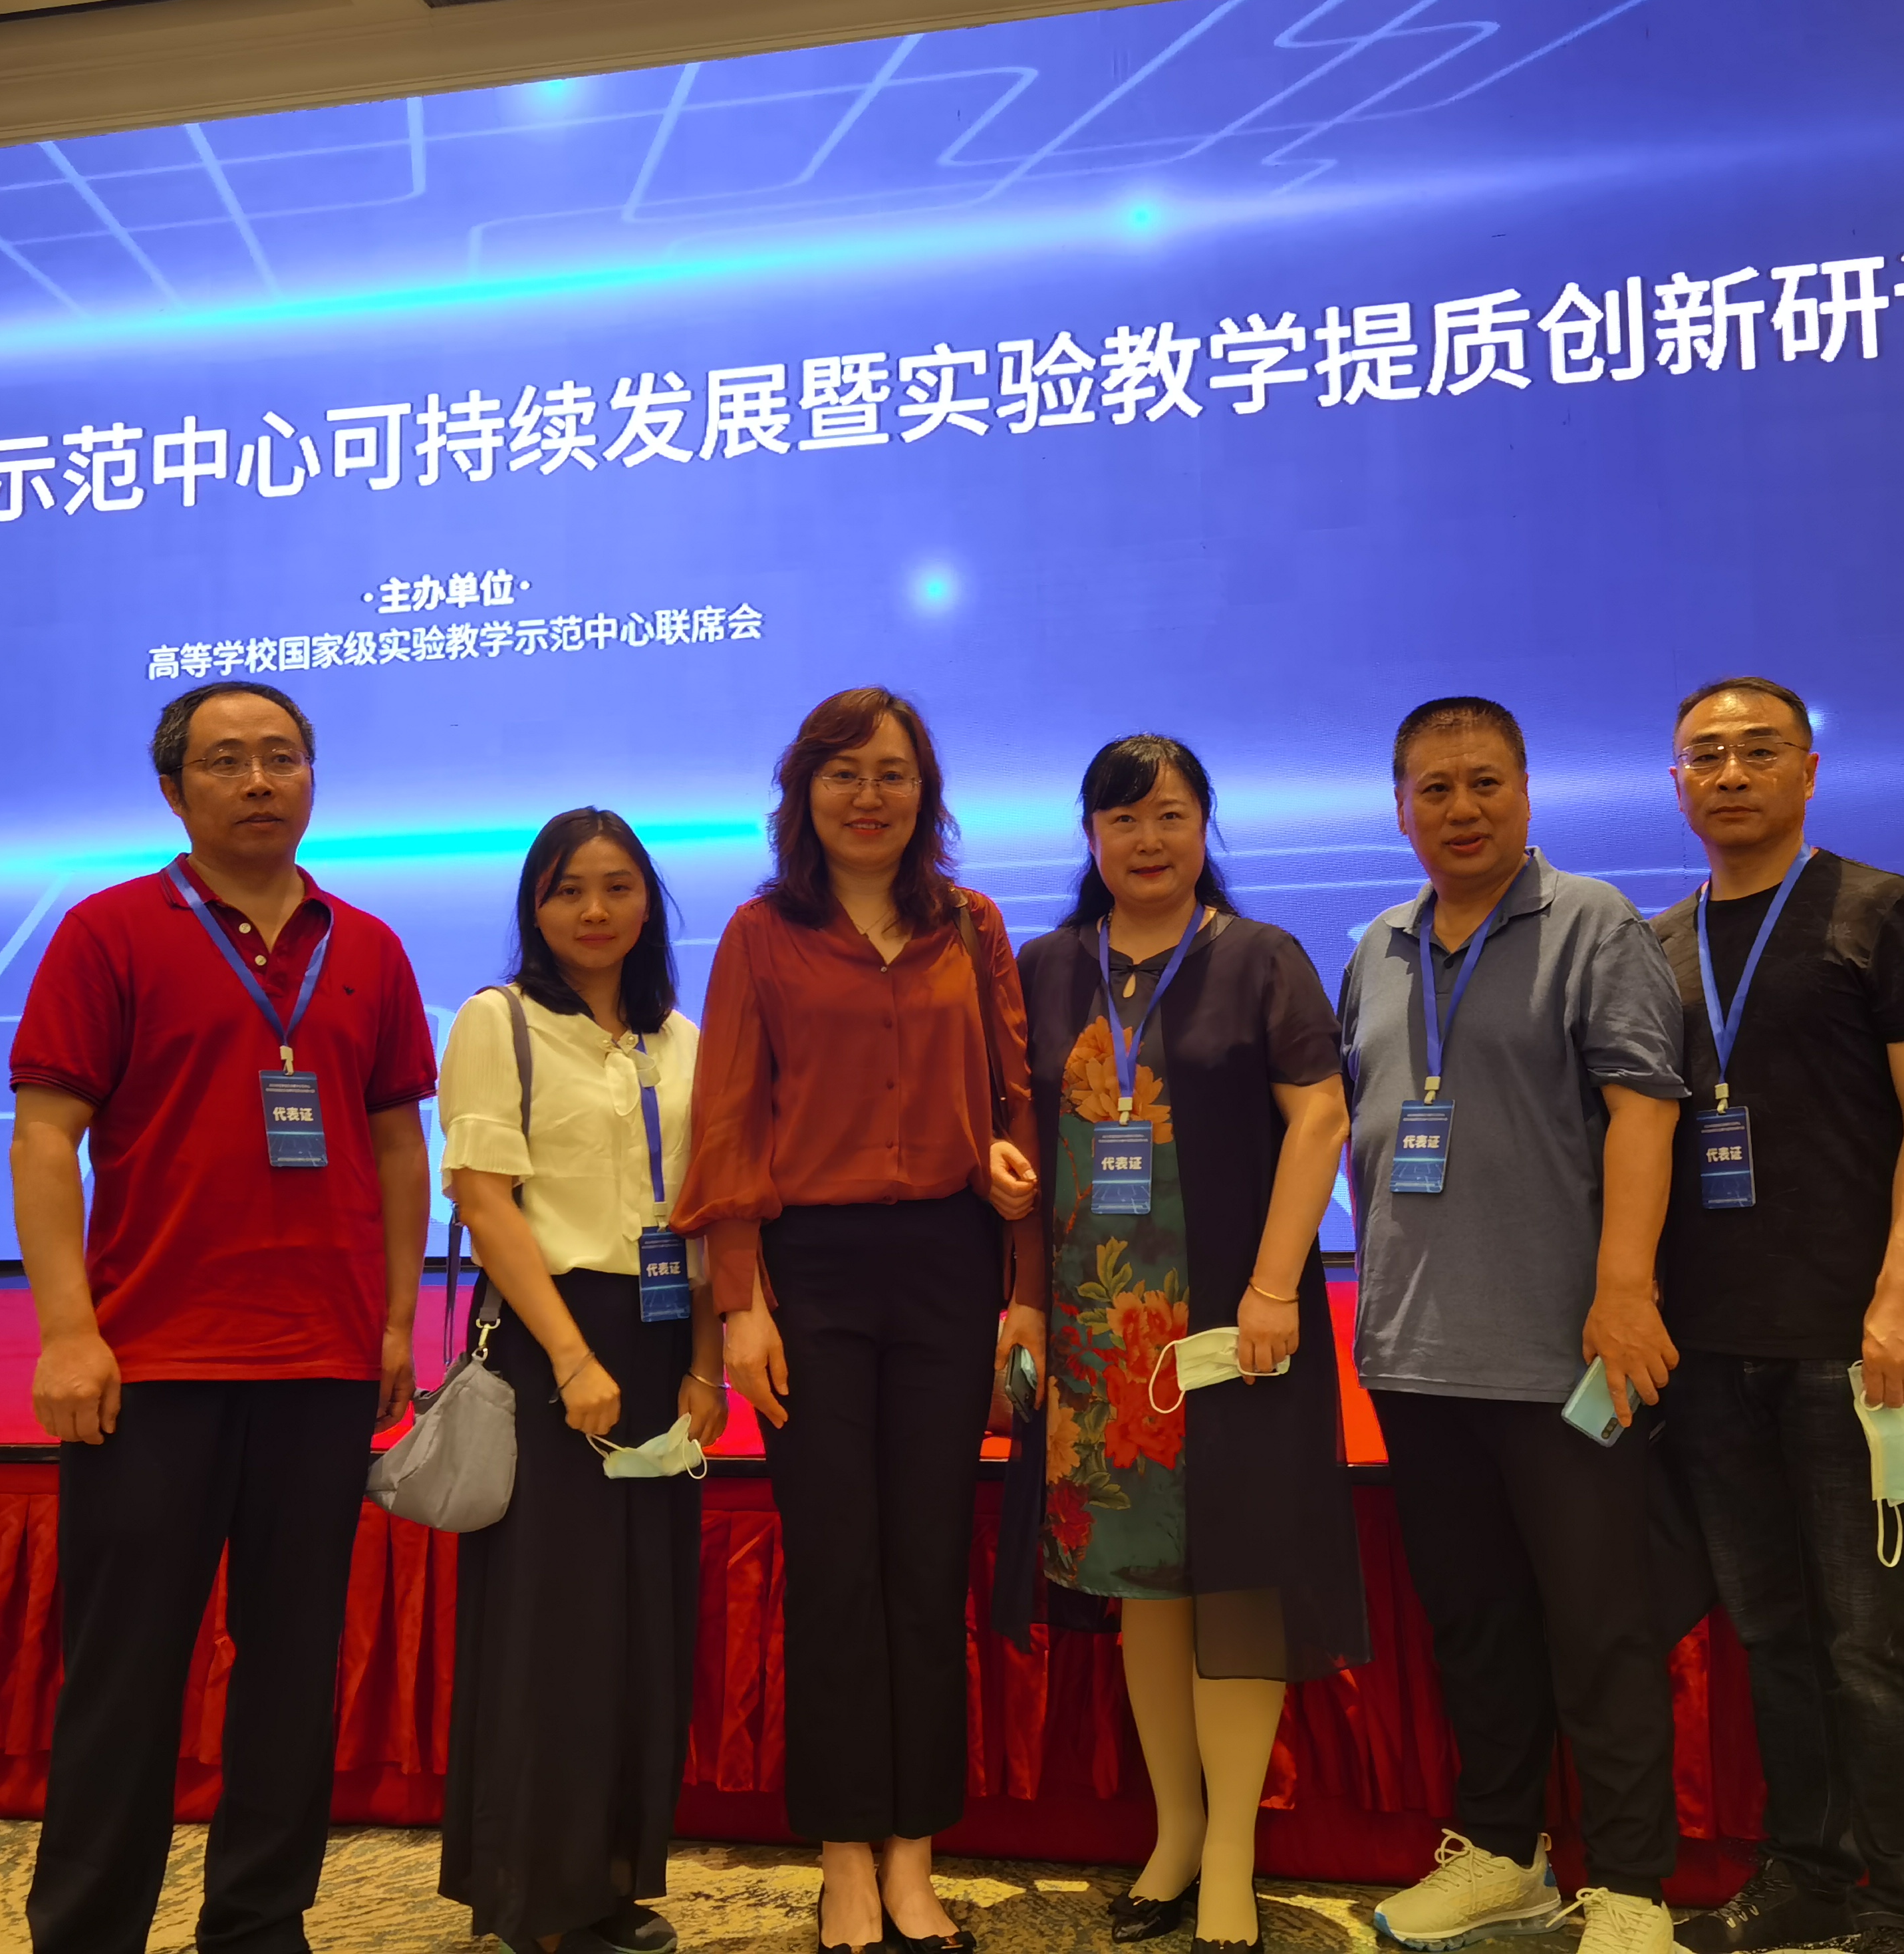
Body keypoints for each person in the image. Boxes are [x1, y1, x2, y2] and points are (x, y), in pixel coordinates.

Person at [9, 680, 436, 1954]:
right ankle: (88, 1933)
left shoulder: (368, 947)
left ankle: (258, 1925)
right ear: (173, 791)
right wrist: (68, 1333)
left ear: (312, 778)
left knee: (294, 1674)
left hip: (320, 1365)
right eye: (227, 761)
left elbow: (396, 1147)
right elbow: (45, 1139)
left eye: (282, 757)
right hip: (150, 1367)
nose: (259, 782)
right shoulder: (107, 932)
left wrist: (395, 1322)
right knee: (126, 1677)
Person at [676, 686, 1043, 1954]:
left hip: (947, 1265)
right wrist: (742, 1304)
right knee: (837, 1568)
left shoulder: (971, 927)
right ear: (805, 794)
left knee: (927, 1563)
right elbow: (728, 1121)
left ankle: (914, 1857)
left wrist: (1021, 1260)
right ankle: (842, 1858)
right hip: (815, 1276)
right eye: (843, 774)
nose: (869, 796)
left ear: (924, 793)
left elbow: (1015, 1100)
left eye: (892, 773)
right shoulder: (761, 933)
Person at [1337, 696, 1688, 1954]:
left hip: (1564, 1355)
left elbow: (1645, 1109)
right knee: (1475, 1627)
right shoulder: (1377, 948)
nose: (1462, 809)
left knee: (1600, 1627)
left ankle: (1634, 1888)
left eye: (1484, 782)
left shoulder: (1593, 923)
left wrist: (1626, 1288)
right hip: (1416, 1355)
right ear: (1401, 809)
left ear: (1527, 791)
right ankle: (1503, 1854)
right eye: (1434, 789)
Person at [1011, 736, 1365, 1954]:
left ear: (1205, 825)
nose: (1147, 840)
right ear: (1091, 836)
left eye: (1169, 814)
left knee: (1237, 1586)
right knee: (1144, 1597)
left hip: (1228, 1328)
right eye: (1122, 819)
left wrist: (1273, 1289)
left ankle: (1232, 1858)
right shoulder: (1046, 968)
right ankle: (1174, 1834)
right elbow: (1021, 1135)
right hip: (1098, 1341)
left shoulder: (1260, 958)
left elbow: (1320, 1119)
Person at [1650, 678, 1904, 1954]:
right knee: (1774, 1637)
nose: (1730, 774)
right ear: (1677, 783)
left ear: (1808, 770)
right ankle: (1807, 1875)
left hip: (1855, 1349)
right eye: (1705, 756)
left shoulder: (1882, 914)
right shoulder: (1657, 945)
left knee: (1874, 1641)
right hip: (1711, 1351)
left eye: (1757, 750)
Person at [437, 808, 728, 1954]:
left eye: (617, 887)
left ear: (649, 901)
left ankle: (607, 1879)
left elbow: (704, 1214)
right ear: (535, 907)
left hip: (661, 1339)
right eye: (568, 890)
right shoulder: (498, 1021)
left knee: (641, 1625)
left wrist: (704, 1364)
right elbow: (484, 1198)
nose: (595, 911)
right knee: (552, 1624)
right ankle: (536, 1897)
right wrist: (570, 1359)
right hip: (552, 1336)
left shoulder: (683, 1039)